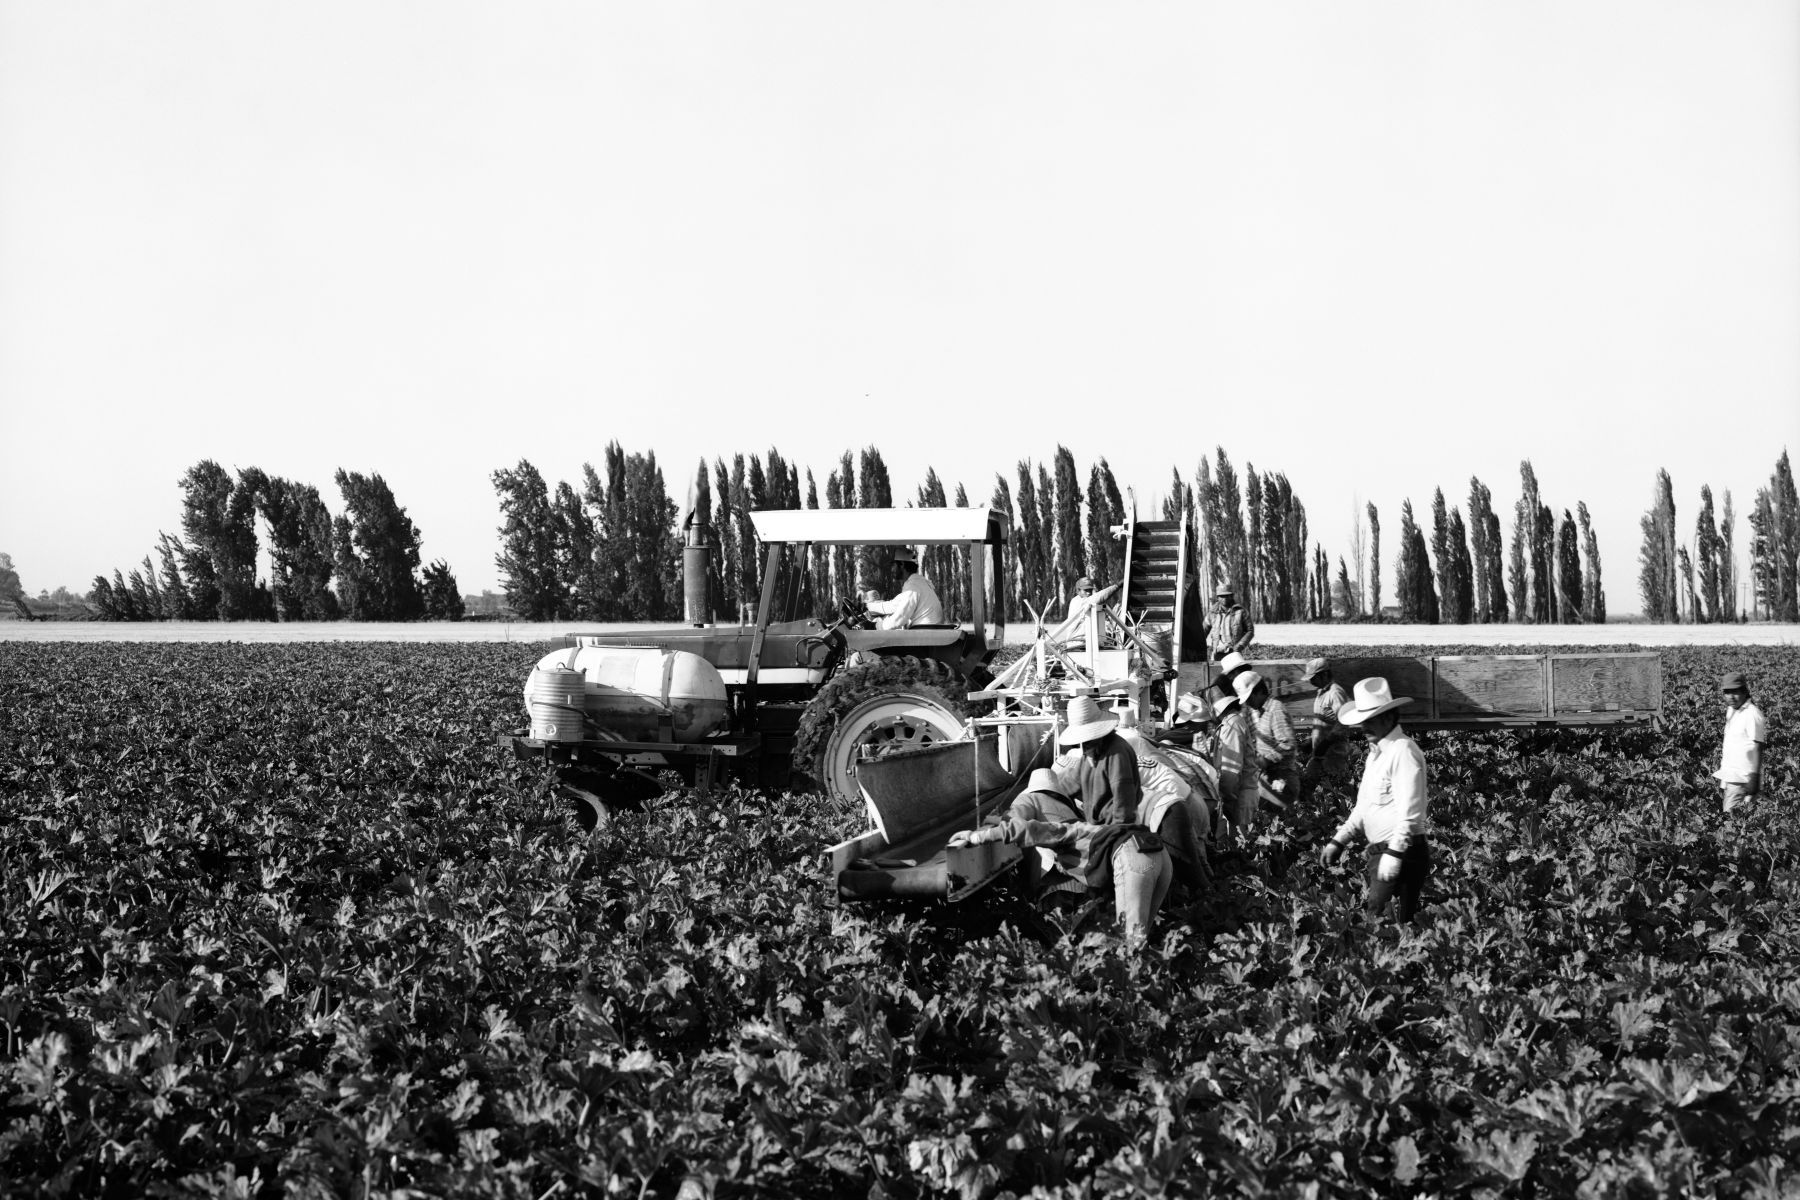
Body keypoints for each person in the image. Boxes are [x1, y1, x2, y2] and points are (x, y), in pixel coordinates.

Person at [1319, 677, 1430, 923]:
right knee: (1391, 924)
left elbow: (1410, 811)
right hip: (1384, 852)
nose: (1364, 727)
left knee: (1379, 923)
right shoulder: (1376, 755)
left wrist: (1394, 853)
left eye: (1370, 721)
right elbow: (1364, 808)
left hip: (1401, 851)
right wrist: (1339, 841)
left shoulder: (1403, 750)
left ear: (1389, 718)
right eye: (1362, 722)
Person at [1236, 670, 1302, 811]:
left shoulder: (1275, 710)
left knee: (1279, 825)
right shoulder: (1263, 712)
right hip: (1270, 778)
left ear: (1259, 692)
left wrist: (1264, 760)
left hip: (1281, 780)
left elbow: (1288, 744)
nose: (1247, 703)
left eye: (1249, 698)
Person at [1716, 671, 1768, 813]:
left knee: (1731, 823)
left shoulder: (1752, 714)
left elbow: (1758, 747)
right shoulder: (1731, 710)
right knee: (1738, 823)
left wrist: (1754, 778)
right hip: (1731, 777)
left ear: (1745, 692)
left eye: (1735, 692)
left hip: (1743, 779)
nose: (1731, 697)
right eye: (1727, 692)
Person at [1211, 690, 1258, 837]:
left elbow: (1232, 769)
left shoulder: (1232, 725)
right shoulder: (1231, 722)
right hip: (1238, 793)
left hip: (1239, 796)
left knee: (1242, 844)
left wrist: (1228, 799)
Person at [862, 546, 944, 630]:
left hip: (924, 632)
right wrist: (868, 606)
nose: (892, 570)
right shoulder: (918, 583)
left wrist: (875, 626)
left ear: (901, 564)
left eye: (893, 566)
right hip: (927, 631)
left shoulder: (913, 587)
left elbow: (900, 618)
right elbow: (893, 605)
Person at [1300, 658, 1353, 789]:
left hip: (1333, 755)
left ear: (1324, 674)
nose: (1311, 681)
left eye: (1314, 678)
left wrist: (1327, 742)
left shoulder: (1335, 693)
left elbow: (1343, 723)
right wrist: (1311, 740)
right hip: (1320, 754)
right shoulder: (1321, 692)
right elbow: (1323, 721)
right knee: (1310, 785)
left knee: (1337, 791)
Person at [1204, 587, 1254, 661]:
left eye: (1227, 595)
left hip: (1234, 652)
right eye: (1222, 596)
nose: (1224, 598)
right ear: (1217, 597)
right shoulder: (1212, 613)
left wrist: (1240, 645)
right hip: (1217, 653)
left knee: (1235, 672)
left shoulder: (1241, 611)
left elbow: (1250, 630)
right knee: (1216, 671)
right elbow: (1203, 632)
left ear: (1231, 596)